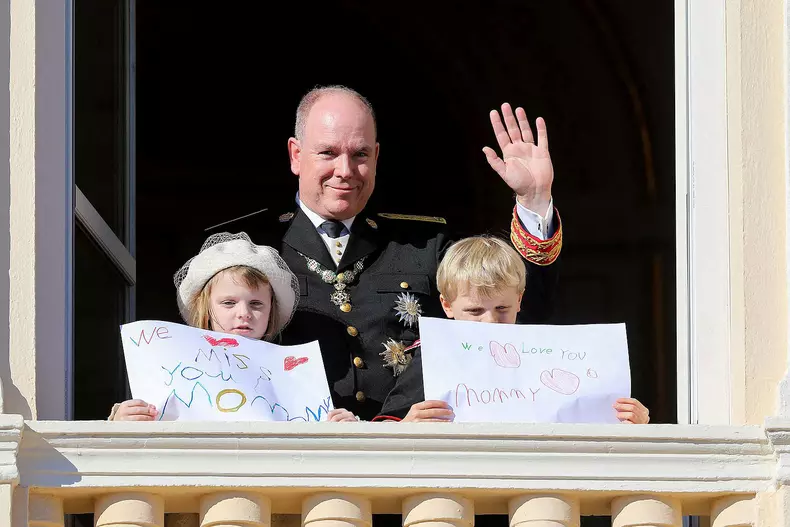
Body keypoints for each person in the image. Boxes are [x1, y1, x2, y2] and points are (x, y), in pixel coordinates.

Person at [203, 85, 563, 421]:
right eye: (328, 153)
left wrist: (533, 200)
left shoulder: (426, 245)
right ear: (296, 156)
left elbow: (516, 315)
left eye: (359, 154)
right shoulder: (244, 248)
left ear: (376, 156)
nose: (344, 171)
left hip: (413, 458)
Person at [377, 236, 650, 424]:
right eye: (475, 311)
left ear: (519, 300)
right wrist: (405, 424)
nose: (491, 322)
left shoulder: (548, 352)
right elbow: (386, 425)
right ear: (446, 306)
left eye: (502, 309)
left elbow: (595, 418)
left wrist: (633, 421)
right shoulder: (433, 357)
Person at [109, 232, 358, 422]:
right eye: (228, 303)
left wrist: (342, 426)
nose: (244, 314)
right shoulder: (168, 362)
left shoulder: (296, 373)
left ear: (272, 310)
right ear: (206, 308)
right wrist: (123, 419)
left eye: (256, 304)